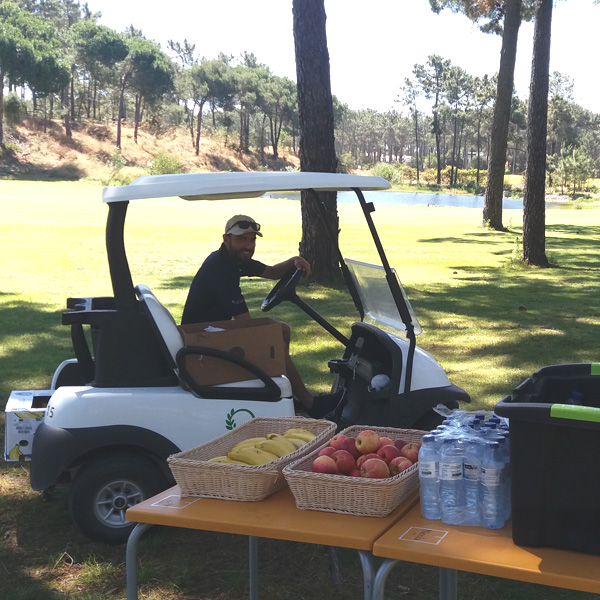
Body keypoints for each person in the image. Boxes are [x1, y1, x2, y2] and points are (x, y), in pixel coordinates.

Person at [181, 214, 343, 418]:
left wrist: (295, 260)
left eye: (252, 240)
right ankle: (310, 404)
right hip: (202, 345)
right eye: (241, 239)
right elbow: (246, 324)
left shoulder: (234, 259)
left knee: (281, 329)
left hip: (210, 332)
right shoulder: (220, 269)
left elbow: (272, 272)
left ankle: (287, 395)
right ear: (226, 239)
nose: (248, 245)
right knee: (271, 336)